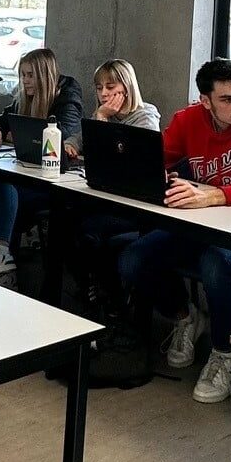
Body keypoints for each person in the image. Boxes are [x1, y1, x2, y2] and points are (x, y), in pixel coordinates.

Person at [118, 57, 231, 403]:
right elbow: (152, 159)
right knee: (132, 258)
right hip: (199, 226)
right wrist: (160, 178)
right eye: (226, 99)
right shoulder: (188, 120)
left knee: (214, 262)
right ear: (205, 100)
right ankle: (185, 317)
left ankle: (225, 351)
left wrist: (215, 195)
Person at [0, 48, 84, 277]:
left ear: (43, 75)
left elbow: (59, 136)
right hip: (26, 173)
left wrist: (16, 136)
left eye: (30, 75)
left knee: (1, 183)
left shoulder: (67, 95)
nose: (25, 81)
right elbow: (2, 120)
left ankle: (1, 254)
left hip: (53, 182)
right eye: (22, 75)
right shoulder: (23, 97)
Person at [67, 59, 161, 318]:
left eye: (110, 86)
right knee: (65, 221)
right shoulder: (102, 115)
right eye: (99, 88)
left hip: (133, 207)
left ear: (127, 87)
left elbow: (119, 161)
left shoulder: (145, 118)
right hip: (103, 199)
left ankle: (112, 299)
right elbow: (77, 139)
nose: (104, 94)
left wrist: (101, 119)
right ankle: (94, 289)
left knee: (89, 232)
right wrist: (70, 144)